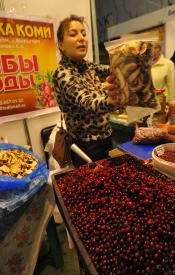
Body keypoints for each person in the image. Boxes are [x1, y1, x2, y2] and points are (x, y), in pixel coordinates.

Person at [53, 15, 122, 167]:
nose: (81, 38)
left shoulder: (88, 67)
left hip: (106, 138)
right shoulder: (63, 74)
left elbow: (113, 70)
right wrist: (115, 100)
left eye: (84, 33)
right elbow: (87, 102)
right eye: (73, 34)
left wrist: (130, 67)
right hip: (86, 147)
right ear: (61, 45)